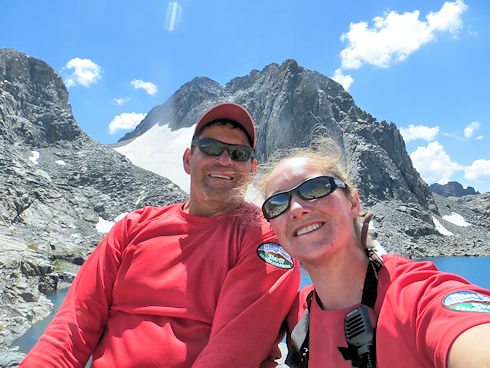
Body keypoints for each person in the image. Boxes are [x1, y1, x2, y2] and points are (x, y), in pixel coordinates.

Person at [20, 102, 300, 368]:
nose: (225, 160)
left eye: (239, 154)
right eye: (212, 148)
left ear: (252, 170)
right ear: (188, 160)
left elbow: (234, 351)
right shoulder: (132, 228)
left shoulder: (266, 237)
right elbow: (74, 325)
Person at [258, 136, 490, 368]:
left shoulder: (416, 297)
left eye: (316, 188)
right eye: (277, 204)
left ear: (353, 203)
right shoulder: (294, 311)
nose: (297, 209)